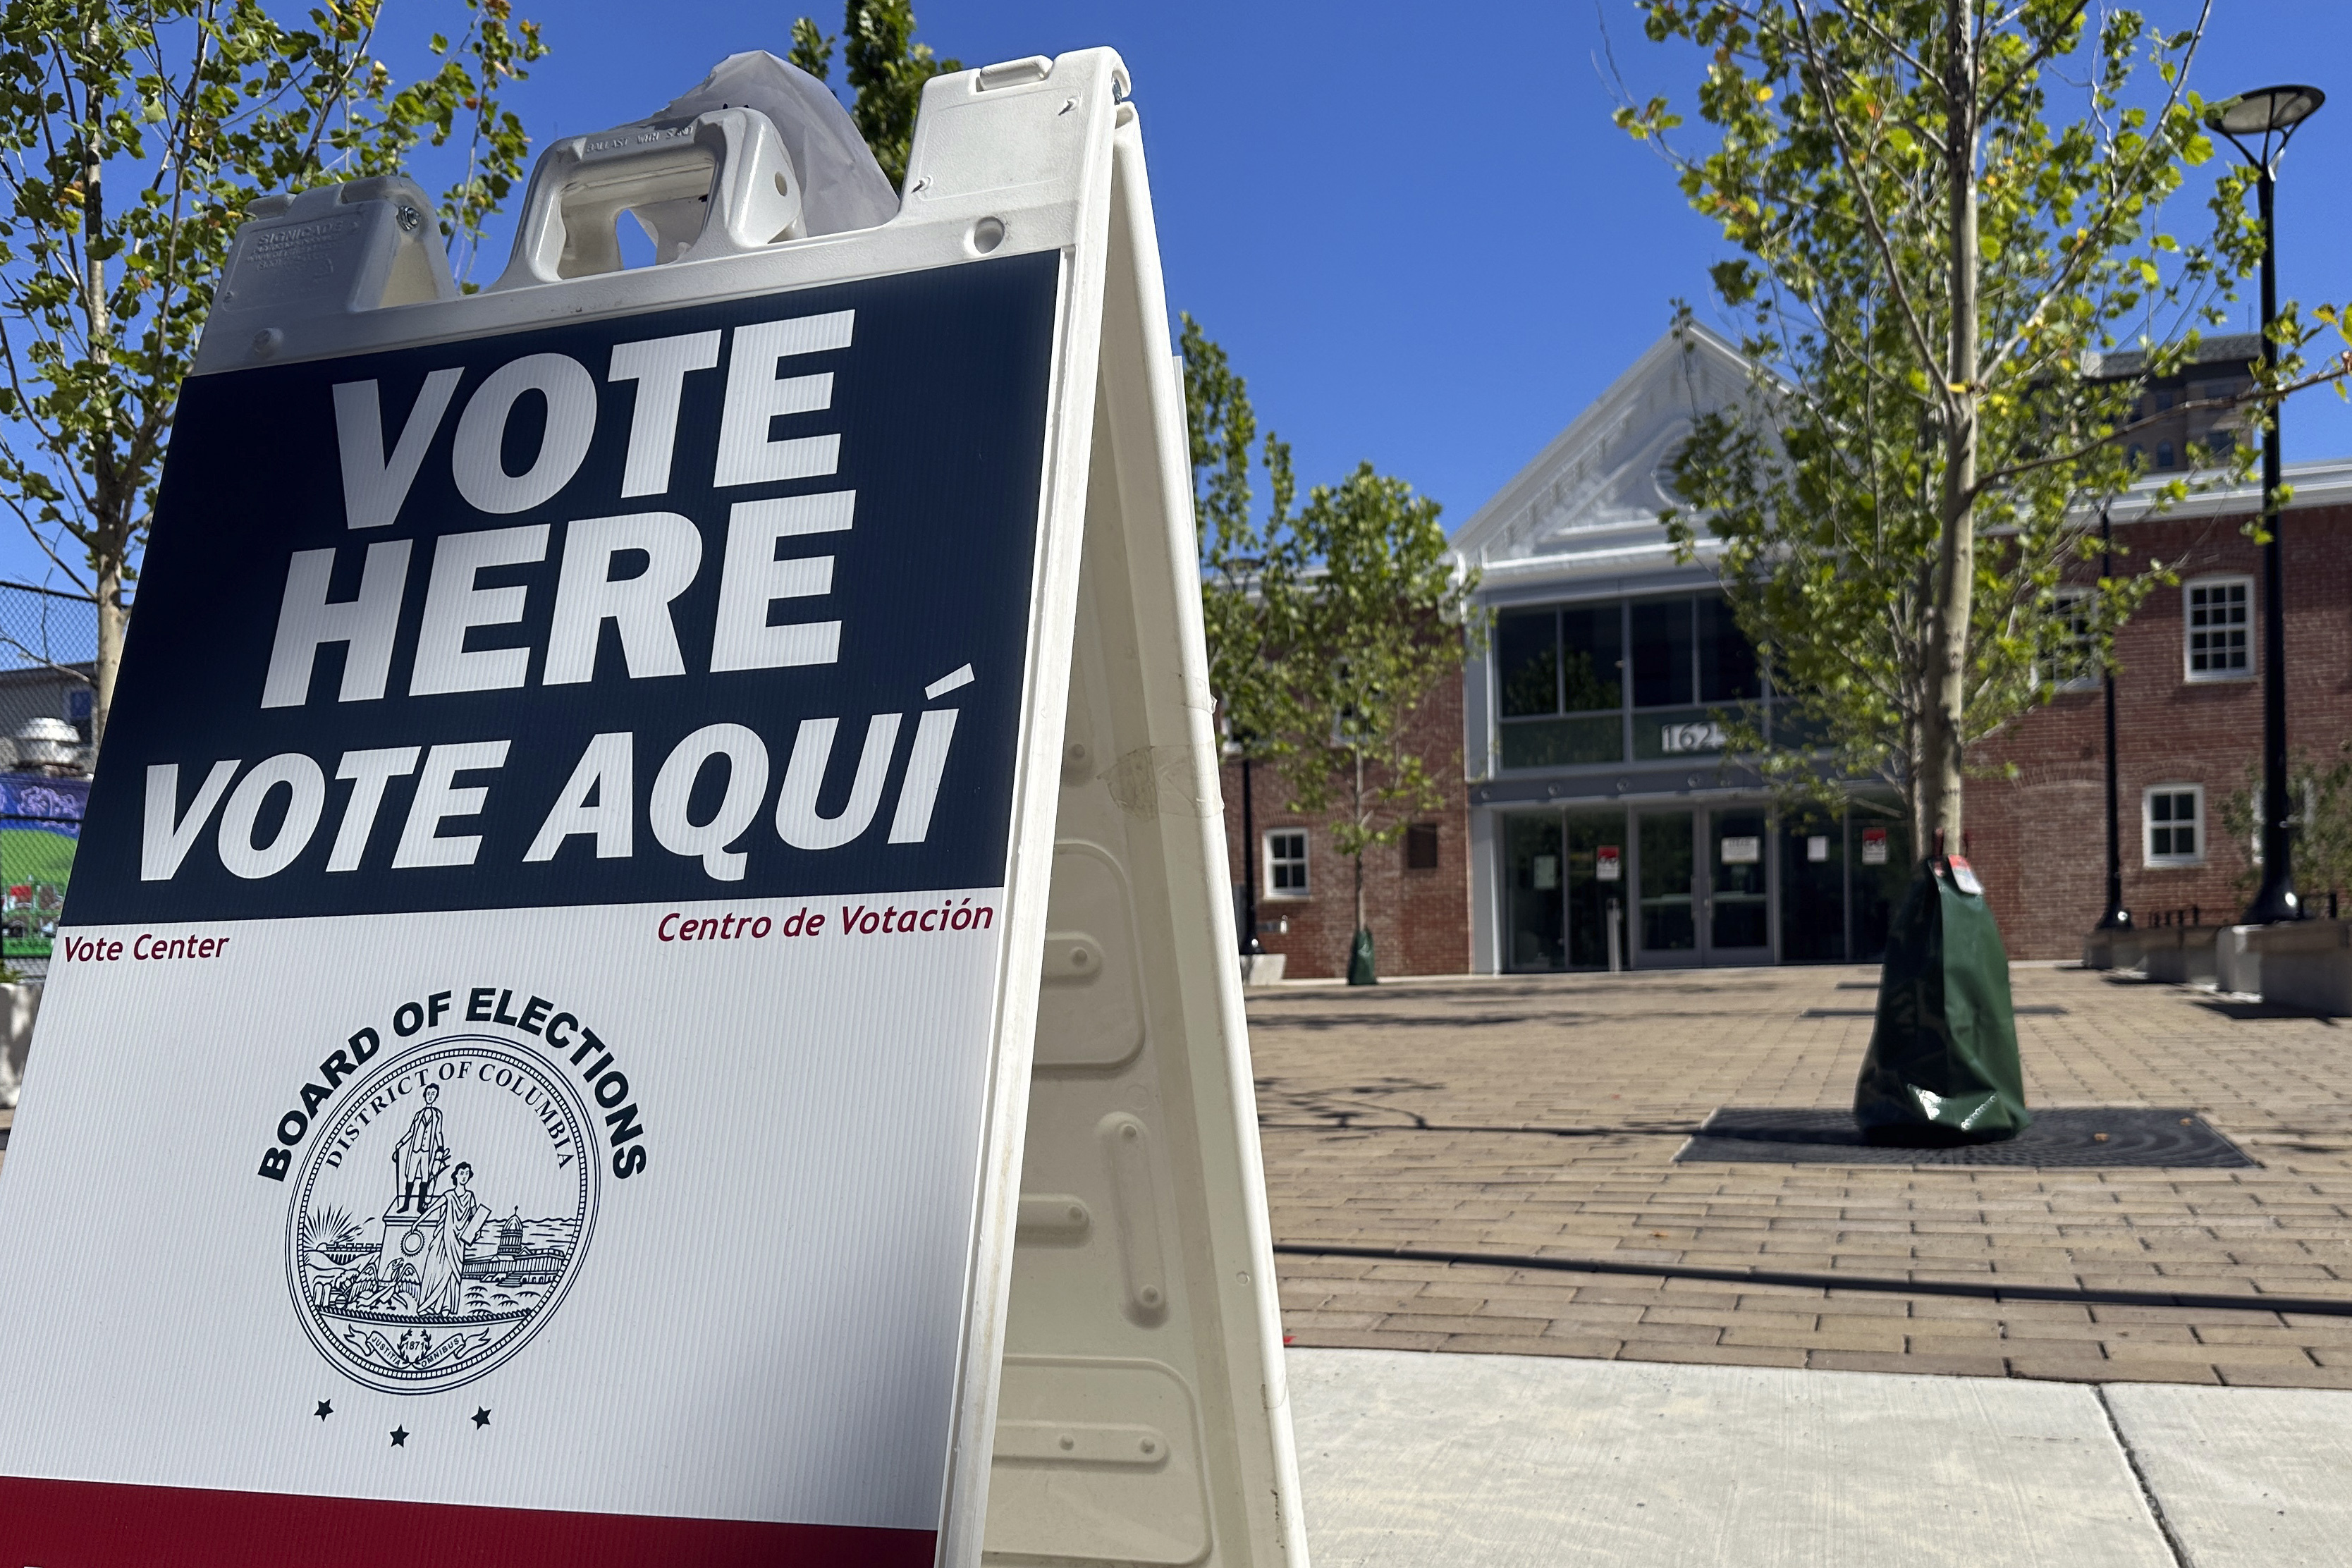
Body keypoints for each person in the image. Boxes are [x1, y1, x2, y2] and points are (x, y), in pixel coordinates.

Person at [414, 1161, 490, 1317]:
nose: (464, 1177)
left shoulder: (470, 1197)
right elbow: (433, 1208)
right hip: (443, 1240)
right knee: (435, 1270)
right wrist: (418, 1222)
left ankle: (446, 1307)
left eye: (467, 1174)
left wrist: (476, 1231)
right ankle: (428, 1305)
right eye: (462, 1173)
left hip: (459, 1241)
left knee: (453, 1273)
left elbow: (475, 1218)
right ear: (456, 1175)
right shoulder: (449, 1195)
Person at [390, 1083, 448, 1213]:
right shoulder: (418, 1114)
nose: (430, 1096)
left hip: (427, 1152)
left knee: (425, 1178)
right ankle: (406, 1204)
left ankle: (420, 1206)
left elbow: (438, 1132)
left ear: (436, 1097)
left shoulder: (437, 1114)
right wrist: (400, 1144)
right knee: (410, 1177)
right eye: (428, 1093)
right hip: (415, 1151)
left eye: (433, 1094)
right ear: (425, 1095)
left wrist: (440, 1147)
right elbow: (411, 1132)